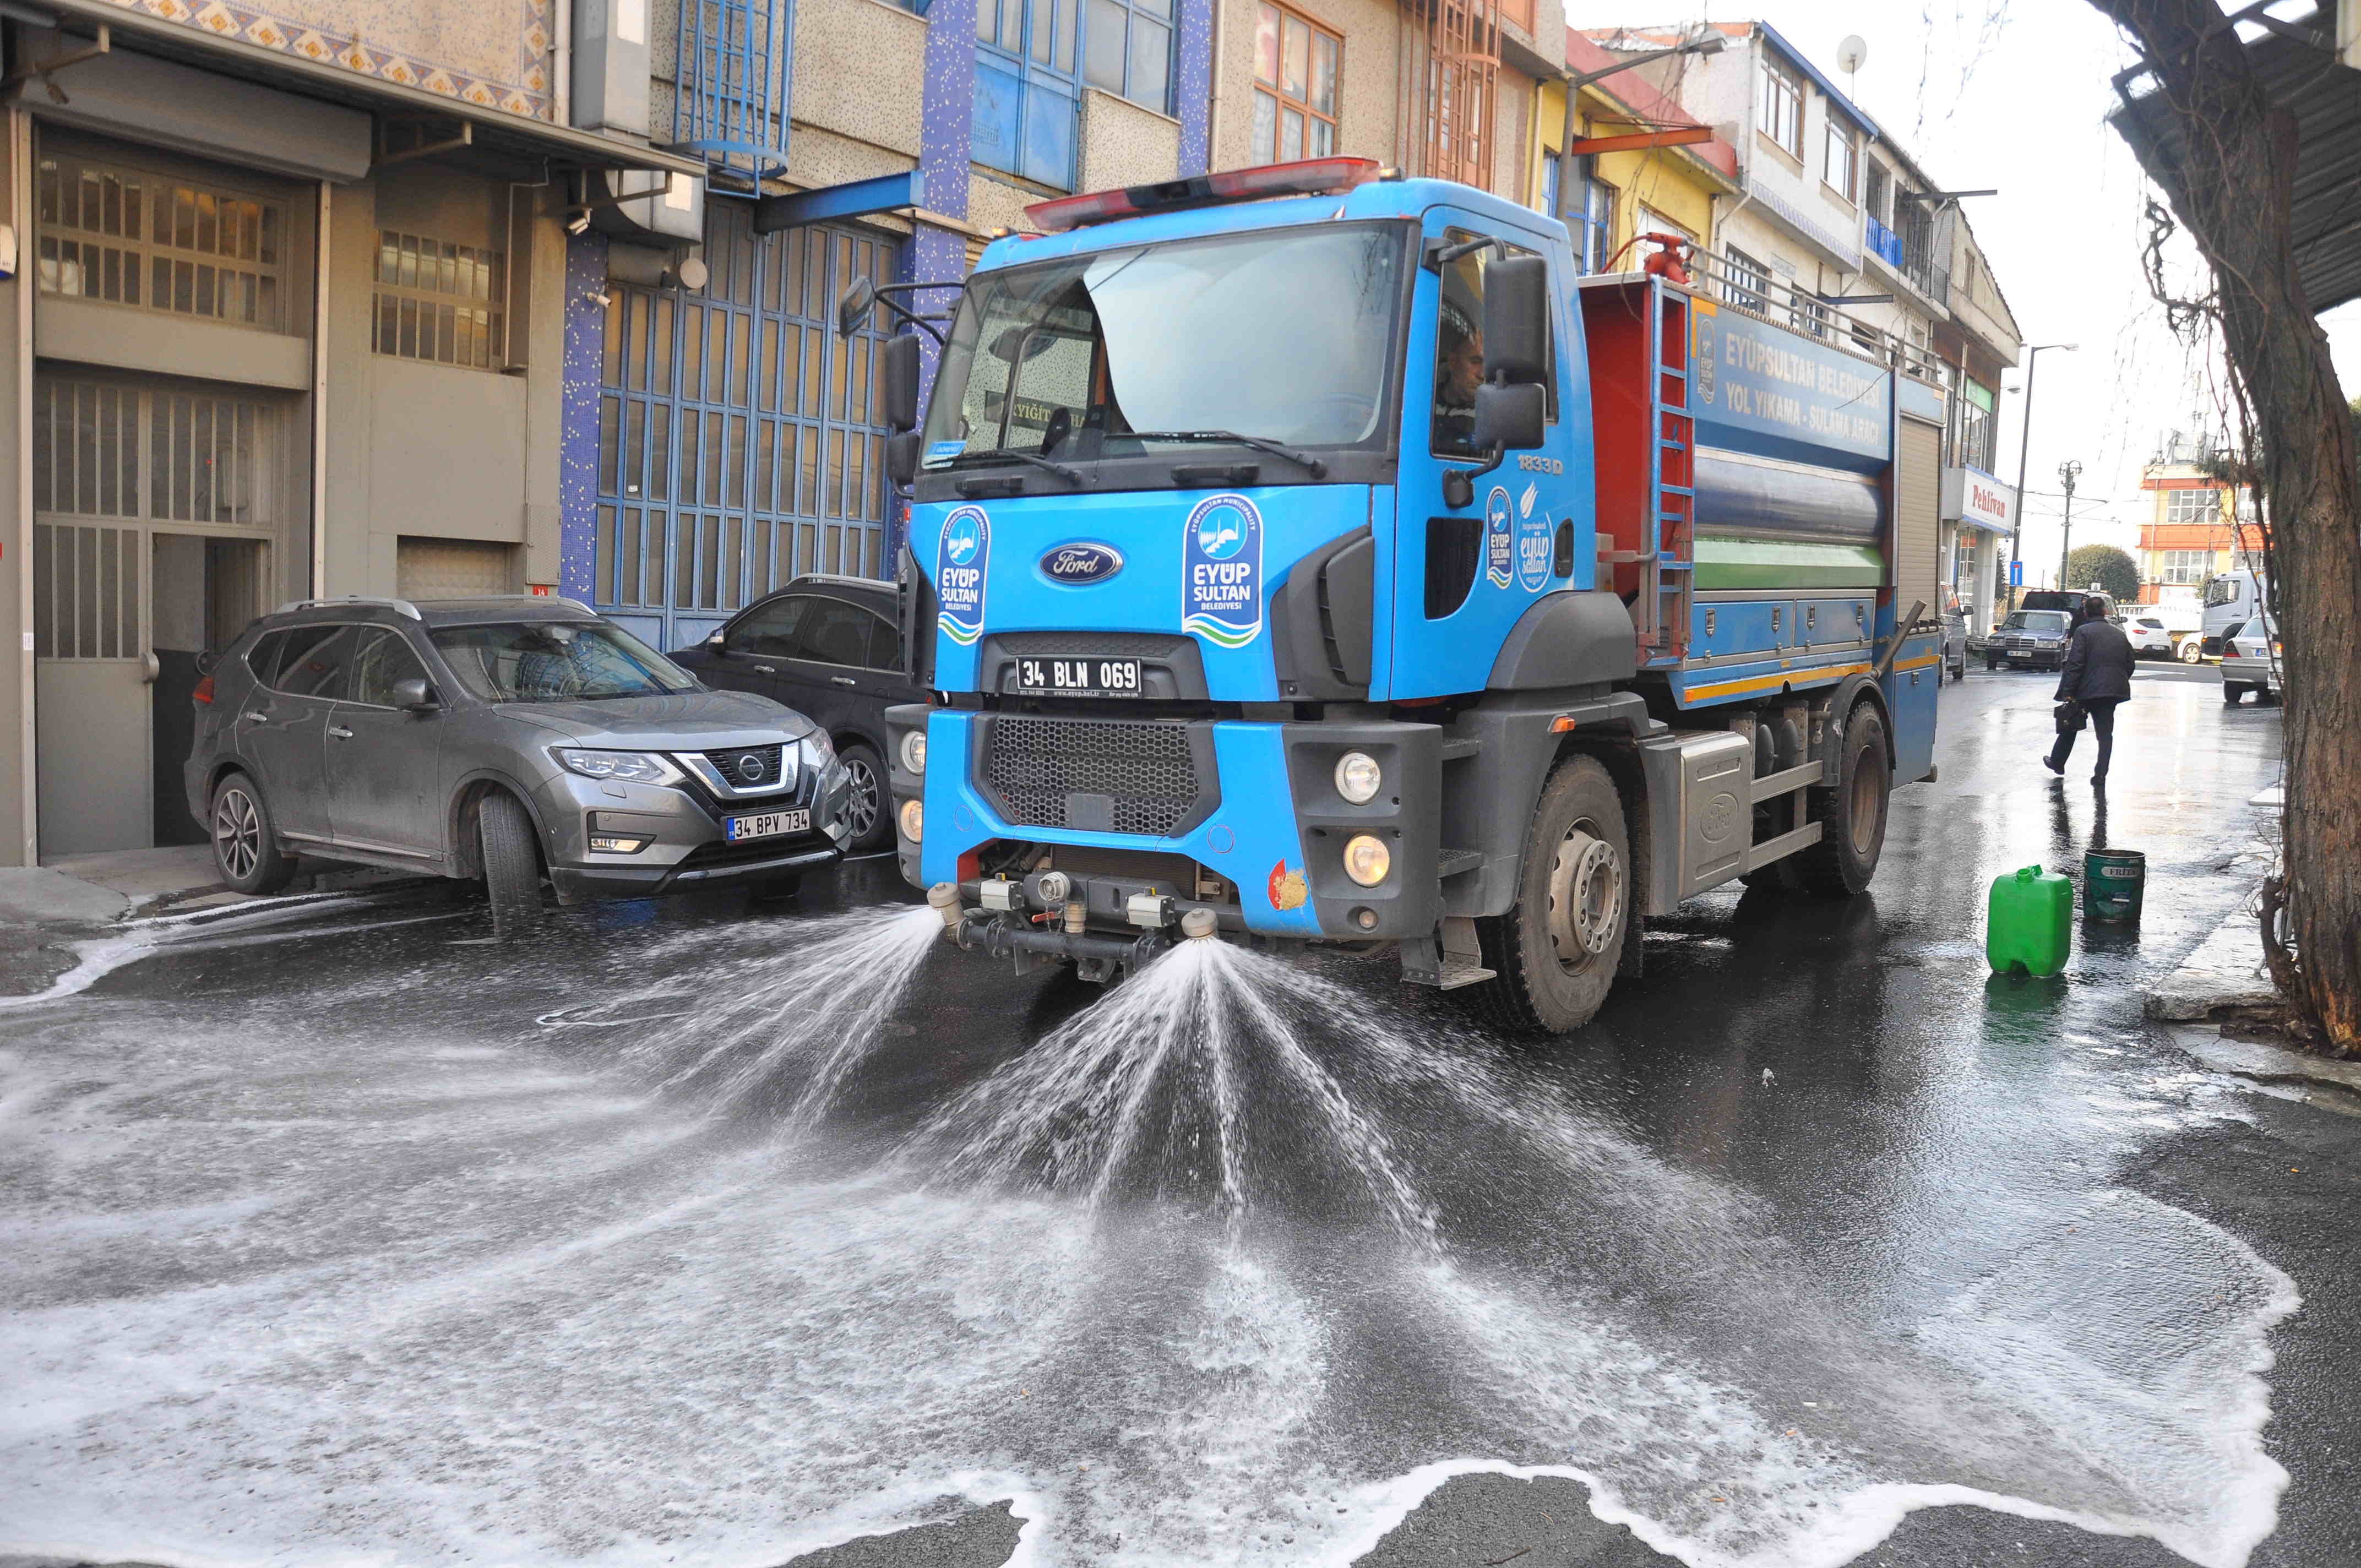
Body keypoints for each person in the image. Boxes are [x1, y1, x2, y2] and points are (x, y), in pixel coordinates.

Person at [2046, 597, 2135, 782]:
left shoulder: (2083, 631)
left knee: (2070, 723)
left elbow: (2076, 664)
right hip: (2111, 691)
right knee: (2105, 734)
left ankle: (2057, 762)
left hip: (2086, 689)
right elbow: (2130, 664)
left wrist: (2068, 691)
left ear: (2085, 613)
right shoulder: (2119, 634)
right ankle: (2100, 774)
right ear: (2105, 612)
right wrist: (2117, 680)